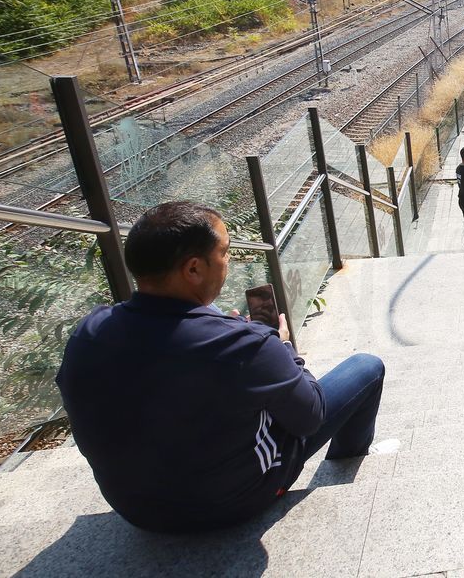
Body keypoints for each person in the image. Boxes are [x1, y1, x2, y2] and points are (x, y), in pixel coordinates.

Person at [56, 202, 385, 534]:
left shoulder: (89, 333)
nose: (228, 263)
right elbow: (310, 418)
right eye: (225, 253)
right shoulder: (246, 345)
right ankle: (343, 469)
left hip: (136, 510)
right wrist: (282, 348)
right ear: (194, 269)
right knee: (366, 367)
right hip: (233, 504)